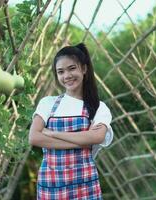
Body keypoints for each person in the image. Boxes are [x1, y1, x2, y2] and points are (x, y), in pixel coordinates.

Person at [29, 43, 113, 200]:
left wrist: (52, 134)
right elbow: (34, 137)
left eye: (72, 68)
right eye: (61, 71)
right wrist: (82, 141)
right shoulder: (48, 103)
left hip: (85, 184)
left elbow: (97, 137)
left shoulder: (97, 107)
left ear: (84, 69)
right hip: (52, 184)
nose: (67, 75)